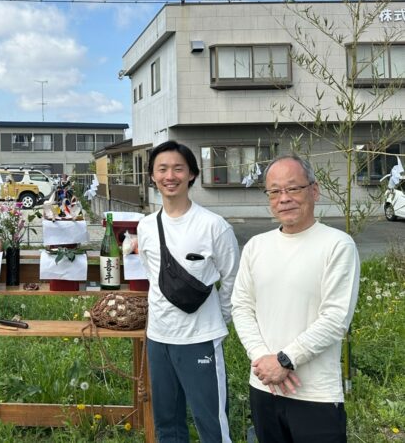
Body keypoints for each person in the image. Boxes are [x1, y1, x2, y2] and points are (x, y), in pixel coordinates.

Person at [231, 155, 359, 442]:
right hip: (263, 387)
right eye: (274, 191)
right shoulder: (256, 246)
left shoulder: (337, 245)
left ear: (314, 190)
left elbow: (336, 318)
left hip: (316, 394)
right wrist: (262, 358)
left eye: (293, 189)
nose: (284, 198)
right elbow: (241, 307)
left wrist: (286, 360)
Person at [137, 140, 239, 442]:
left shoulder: (213, 226)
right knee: (167, 423)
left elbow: (233, 279)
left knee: (211, 422)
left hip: (199, 339)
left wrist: (216, 320)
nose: (170, 176)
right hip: (158, 337)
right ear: (153, 176)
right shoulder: (146, 226)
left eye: (178, 168)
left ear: (192, 174)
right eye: (162, 169)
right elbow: (151, 276)